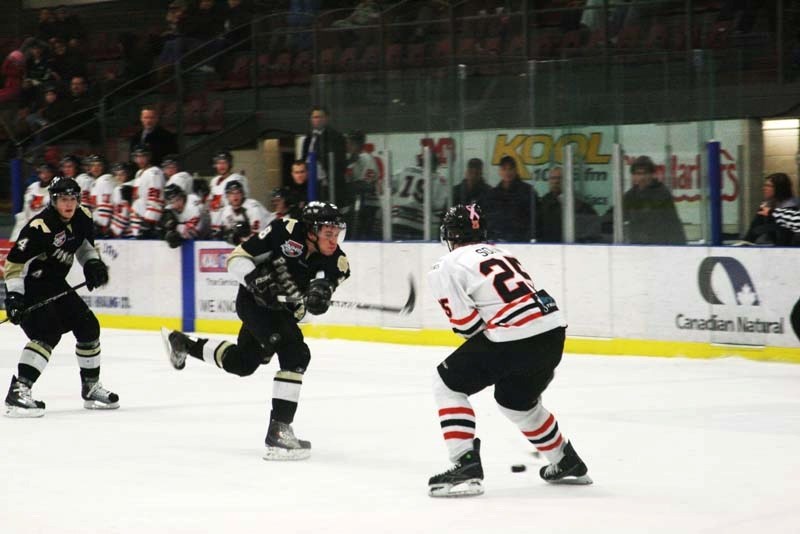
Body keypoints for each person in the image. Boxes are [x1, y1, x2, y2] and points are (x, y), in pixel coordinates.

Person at [161, 201, 350, 459]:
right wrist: (256, 280)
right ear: (310, 231)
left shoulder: (338, 262)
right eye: (328, 233)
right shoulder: (282, 231)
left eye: (337, 234)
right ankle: (279, 432)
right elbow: (236, 258)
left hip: (281, 313)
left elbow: (318, 290)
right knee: (295, 353)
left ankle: (184, 343)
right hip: (253, 303)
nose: (333, 239)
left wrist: (319, 295)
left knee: (243, 363)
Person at [426, 204, 591, 497]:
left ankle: (465, 466)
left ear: (450, 235)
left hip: (515, 336)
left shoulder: (446, 264)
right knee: (515, 401)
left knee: (447, 383)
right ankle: (564, 460)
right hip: (552, 331)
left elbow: (467, 327)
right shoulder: (502, 253)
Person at [3, 177, 116, 418]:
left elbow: (84, 246)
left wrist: (93, 263)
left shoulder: (83, 215)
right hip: (31, 285)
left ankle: (90, 387)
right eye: (63, 199)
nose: (69, 204)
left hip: (55, 283)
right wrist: (13, 297)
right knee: (47, 333)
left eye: (73, 198)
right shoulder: (39, 227)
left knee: (88, 327)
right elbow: (14, 264)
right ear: (54, 200)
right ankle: (19, 391)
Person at [622, 155, 686, 245]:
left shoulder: (662, 194)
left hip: (659, 246)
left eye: (645, 173)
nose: (642, 177)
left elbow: (673, 224)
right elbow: (620, 219)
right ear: (633, 176)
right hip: (636, 247)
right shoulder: (629, 196)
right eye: (638, 174)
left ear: (652, 174)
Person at [537, 166, 600, 243]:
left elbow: (591, 231)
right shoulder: (542, 205)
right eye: (553, 178)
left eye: (560, 178)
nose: (556, 181)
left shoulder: (582, 206)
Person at [300, 107, 348, 208]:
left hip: (328, 184)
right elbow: (304, 159)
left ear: (326, 118)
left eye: (320, 117)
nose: (317, 120)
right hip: (311, 182)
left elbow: (340, 162)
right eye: (315, 117)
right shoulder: (308, 138)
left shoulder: (335, 137)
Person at [486, 156, 538, 242]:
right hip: (497, 242)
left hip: (521, 242)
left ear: (516, 170)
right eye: (504, 169)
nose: (507, 172)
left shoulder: (528, 191)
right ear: (500, 171)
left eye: (510, 169)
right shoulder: (492, 194)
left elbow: (535, 219)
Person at [213, 180, 274, 244]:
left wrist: (240, 240)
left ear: (242, 194)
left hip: (272, 234)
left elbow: (259, 235)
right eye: (231, 193)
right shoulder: (226, 211)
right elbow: (227, 232)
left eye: (238, 192)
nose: (235, 196)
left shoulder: (253, 207)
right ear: (227, 196)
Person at [345, 131, 381, 240]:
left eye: (351, 143)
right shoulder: (353, 160)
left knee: (364, 237)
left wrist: (347, 187)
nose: (348, 146)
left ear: (358, 144)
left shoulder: (366, 158)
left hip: (369, 206)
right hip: (361, 205)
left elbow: (368, 184)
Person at [744, 173, 798, 245]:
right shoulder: (767, 204)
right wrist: (745, 243)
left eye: (768, 186)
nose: (764, 188)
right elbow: (755, 226)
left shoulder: (792, 206)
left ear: (780, 188)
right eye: (765, 185)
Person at [10, 163, 57, 242]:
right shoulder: (32, 187)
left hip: (45, 224)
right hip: (27, 221)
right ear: (39, 174)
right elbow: (26, 205)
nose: (45, 175)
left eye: (48, 172)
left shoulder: (55, 188)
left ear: (52, 174)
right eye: (43, 172)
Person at [130, 144, 166, 238]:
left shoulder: (154, 173)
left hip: (149, 224)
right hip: (138, 223)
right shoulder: (139, 173)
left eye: (143, 156)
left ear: (149, 157)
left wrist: (149, 222)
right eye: (137, 157)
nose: (140, 160)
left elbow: (156, 200)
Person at [207, 150, 249, 230]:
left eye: (224, 162)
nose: (221, 166)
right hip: (214, 226)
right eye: (219, 163)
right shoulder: (214, 181)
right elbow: (210, 202)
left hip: (230, 225)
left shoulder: (237, 179)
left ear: (230, 164)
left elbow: (242, 203)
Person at [161, 183, 210, 248]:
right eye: (170, 201)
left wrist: (176, 233)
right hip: (195, 238)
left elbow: (193, 233)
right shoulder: (170, 208)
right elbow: (164, 226)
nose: (173, 203)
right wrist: (168, 231)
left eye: (177, 199)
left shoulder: (192, 207)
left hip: (206, 239)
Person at [86, 155, 117, 237]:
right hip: (99, 226)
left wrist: (102, 226)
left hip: (106, 228)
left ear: (104, 167)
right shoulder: (97, 182)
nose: (95, 168)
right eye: (93, 165)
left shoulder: (105, 180)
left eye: (99, 165)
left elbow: (107, 205)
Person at [109, 162, 137, 238]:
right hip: (134, 229)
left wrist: (115, 231)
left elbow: (124, 213)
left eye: (122, 174)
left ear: (128, 174)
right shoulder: (134, 185)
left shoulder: (121, 189)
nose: (118, 177)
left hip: (126, 231)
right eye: (116, 174)